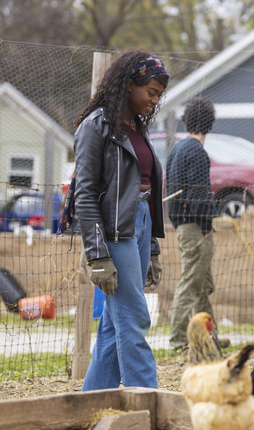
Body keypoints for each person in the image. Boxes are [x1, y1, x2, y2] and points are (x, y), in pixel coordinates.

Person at [73, 49, 169, 391]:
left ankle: (92, 405)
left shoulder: (136, 128)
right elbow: (83, 195)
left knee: (114, 328)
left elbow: (141, 189)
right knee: (133, 318)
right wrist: (97, 254)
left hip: (139, 225)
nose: (154, 100)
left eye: (159, 94)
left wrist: (153, 245)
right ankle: (150, 403)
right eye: (151, 92)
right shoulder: (95, 127)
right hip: (113, 233)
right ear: (129, 84)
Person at [166, 96, 227, 351]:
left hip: (181, 225)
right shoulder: (198, 152)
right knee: (191, 284)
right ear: (209, 122)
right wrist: (205, 227)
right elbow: (199, 195)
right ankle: (179, 340)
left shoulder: (176, 149)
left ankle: (207, 336)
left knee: (201, 284)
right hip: (195, 228)